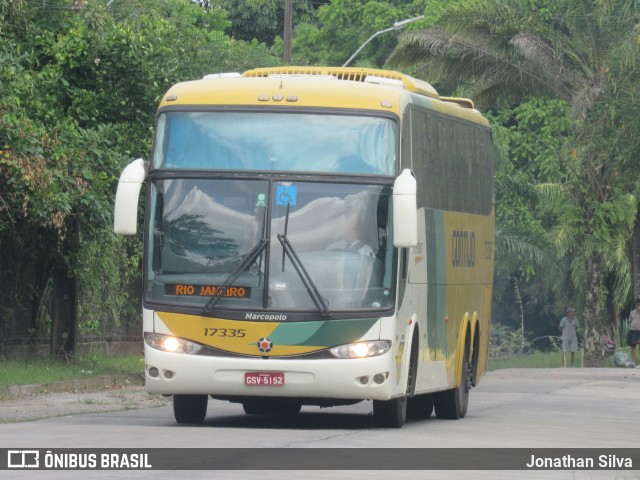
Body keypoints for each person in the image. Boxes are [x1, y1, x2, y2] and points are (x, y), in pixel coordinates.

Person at [627, 299, 640, 366]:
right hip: (633, 331)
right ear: (635, 306)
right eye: (638, 305)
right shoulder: (632, 312)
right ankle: (633, 362)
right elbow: (630, 321)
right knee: (633, 346)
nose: (639, 307)